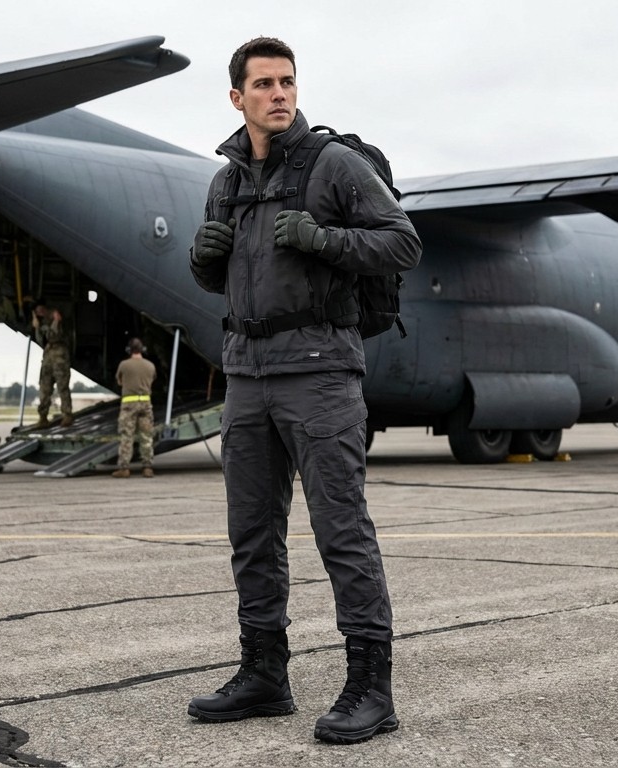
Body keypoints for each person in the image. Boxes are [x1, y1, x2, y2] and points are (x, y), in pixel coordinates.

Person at [187, 37, 422, 744]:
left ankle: (371, 688)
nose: (279, 94)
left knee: (341, 529)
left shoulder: (334, 165)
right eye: (263, 84)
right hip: (246, 373)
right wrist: (203, 263)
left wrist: (324, 239)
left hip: (320, 372)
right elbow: (226, 278)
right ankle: (264, 673)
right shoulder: (226, 180)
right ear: (238, 98)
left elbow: (403, 242)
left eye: (287, 81)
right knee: (251, 533)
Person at [111, 337, 158, 478]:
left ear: (129, 350)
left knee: (127, 436)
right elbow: (152, 380)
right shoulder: (150, 365)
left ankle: (124, 468)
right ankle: (147, 467)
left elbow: (119, 381)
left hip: (129, 405)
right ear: (142, 349)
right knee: (146, 436)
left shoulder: (124, 365)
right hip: (146, 404)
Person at [32, 300, 73, 428]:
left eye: (41, 310)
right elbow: (41, 341)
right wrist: (37, 327)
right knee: (44, 387)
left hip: (60, 356)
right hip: (47, 357)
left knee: (62, 386)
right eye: (37, 312)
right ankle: (43, 417)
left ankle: (67, 415)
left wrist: (55, 321)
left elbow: (54, 336)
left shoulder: (57, 317)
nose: (40, 313)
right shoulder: (42, 322)